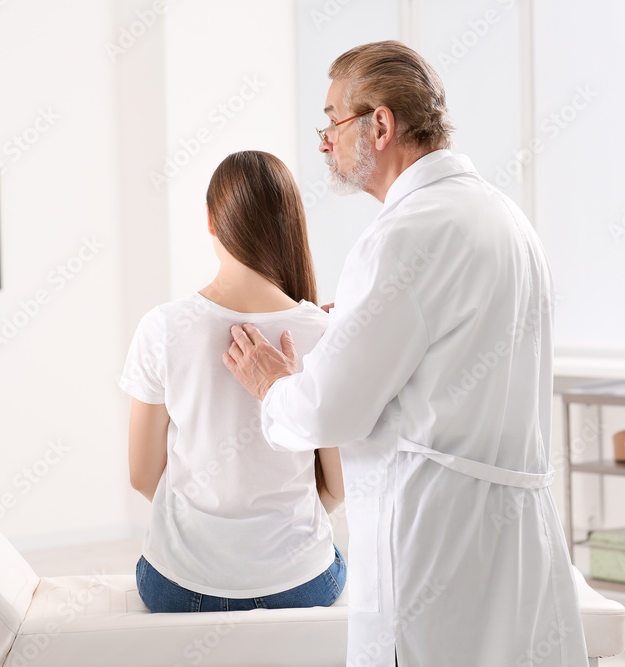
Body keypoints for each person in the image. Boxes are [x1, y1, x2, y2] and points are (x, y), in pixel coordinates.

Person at [223, 42, 588, 666]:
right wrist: (356, 331)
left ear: (381, 125)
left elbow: (327, 412)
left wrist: (273, 384)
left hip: (434, 548)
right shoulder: (504, 217)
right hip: (515, 541)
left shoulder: (402, 234)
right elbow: (449, 351)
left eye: (333, 121)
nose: (324, 142)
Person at [120, 150, 346, 613]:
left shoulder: (163, 326)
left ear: (210, 220)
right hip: (299, 583)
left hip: (179, 586)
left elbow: (142, 475)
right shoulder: (324, 333)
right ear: (290, 224)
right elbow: (338, 487)